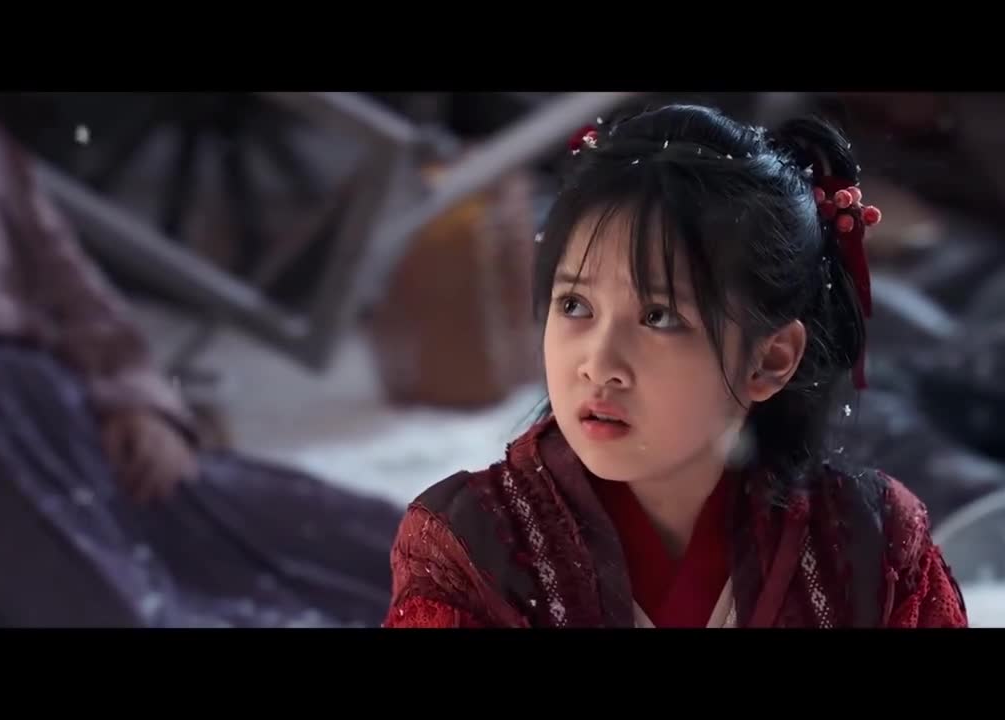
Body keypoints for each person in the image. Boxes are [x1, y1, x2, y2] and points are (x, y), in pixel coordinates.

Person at [382, 104, 969, 628]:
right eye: (575, 305)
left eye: (658, 316)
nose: (599, 365)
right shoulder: (473, 546)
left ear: (769, 360)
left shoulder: (870, 546)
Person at [0, 101, 401, 627]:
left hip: (57, 415)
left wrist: (141, 405)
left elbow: (76, 294)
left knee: (367, 544)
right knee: (107, 597)